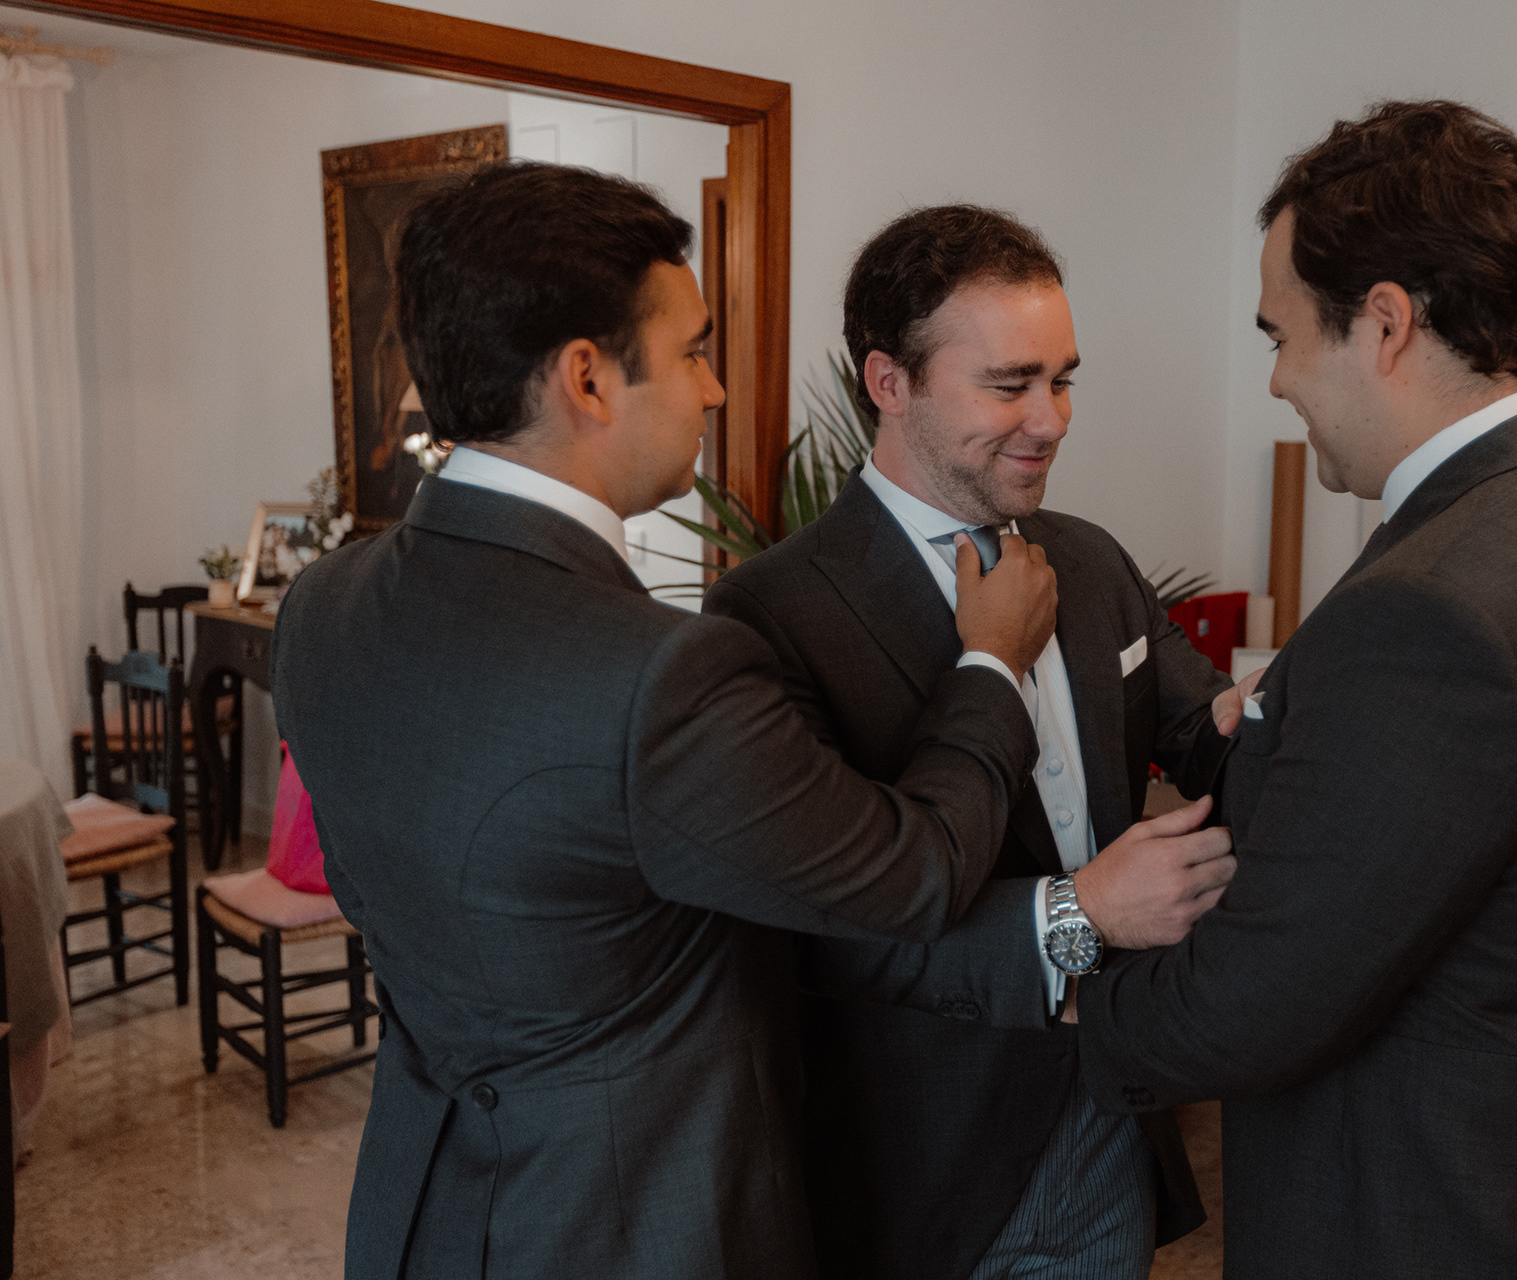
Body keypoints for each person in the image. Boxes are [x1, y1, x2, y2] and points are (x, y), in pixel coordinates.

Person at [270, 165, 1060, 1280]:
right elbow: (914, 874)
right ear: (587, 378)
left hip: (426, 1211)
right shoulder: (659, 675)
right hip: (633, 1223)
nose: (718, 390)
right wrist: (991, 662)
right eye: (692, 352)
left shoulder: (321, 604)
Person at [1068, 101, 1517, 1278]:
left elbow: (1254, 1005)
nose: (1278, 381)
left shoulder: (1429, 608)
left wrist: (1037, 967)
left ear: (1386, 323)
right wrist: (1289, 732)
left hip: (1471, 1219)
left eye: (1282, 335)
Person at [706, 205, 1241, 1280]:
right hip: (916, 1167)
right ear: (888, 381)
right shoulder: (767, 616)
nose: (1052, 419)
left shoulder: (1091, 560)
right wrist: (1078, 915)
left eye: (1064, 379)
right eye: (1009, 384)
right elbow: (814, 930)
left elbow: (1205, 731)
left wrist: (1297, 713)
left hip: (1109, 1114)